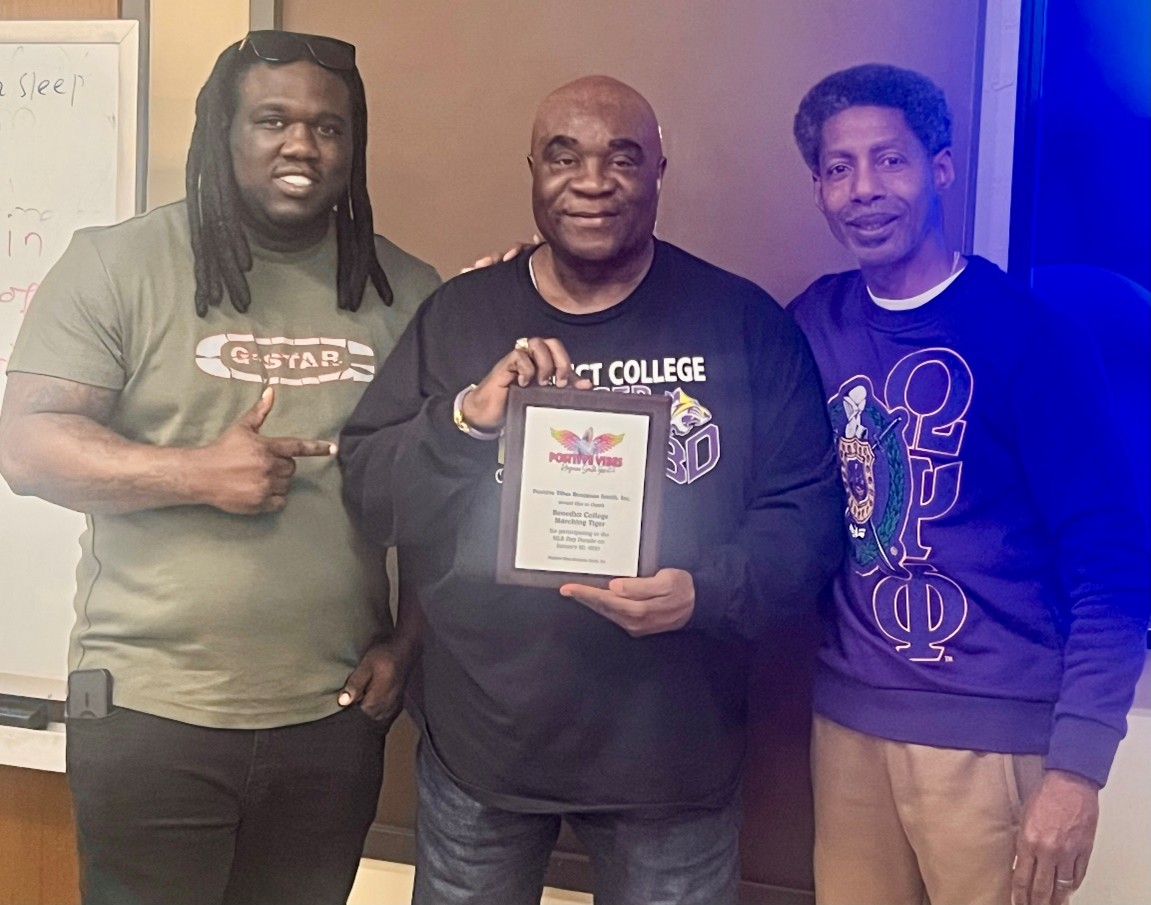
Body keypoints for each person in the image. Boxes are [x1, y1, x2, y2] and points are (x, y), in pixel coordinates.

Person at [339, 75, 843, 905]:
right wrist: (465, 420)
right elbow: (369, 492)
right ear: (532, 171)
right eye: (564, 157)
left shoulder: (742, 322)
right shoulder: (460, 315)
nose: (593, 181)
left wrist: (706, 591)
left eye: (623, 157)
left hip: (671, 754)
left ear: (658, 173)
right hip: (484, 748)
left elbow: (809, 515)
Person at [0, 30, 440, 905]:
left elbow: (442, 493)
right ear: (222, 131)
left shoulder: (406, 290)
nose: (301, 145)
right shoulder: (117, 263)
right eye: (272, 120)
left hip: (331, 717)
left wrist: (407, 642)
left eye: (328, 127)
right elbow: (27, 445)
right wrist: (198, 473)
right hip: (150, 712)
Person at [787, 63, 1150, 905]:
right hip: (847, 727)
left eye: (890, 160)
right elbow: (711, 393)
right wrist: (529, 289)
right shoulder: (812, 321)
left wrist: (1077, 769)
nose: (863, 188)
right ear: (818, 189)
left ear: (940, 168)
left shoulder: (1032, 339)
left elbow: (1110, 560)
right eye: (839, 168)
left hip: (993, 737)